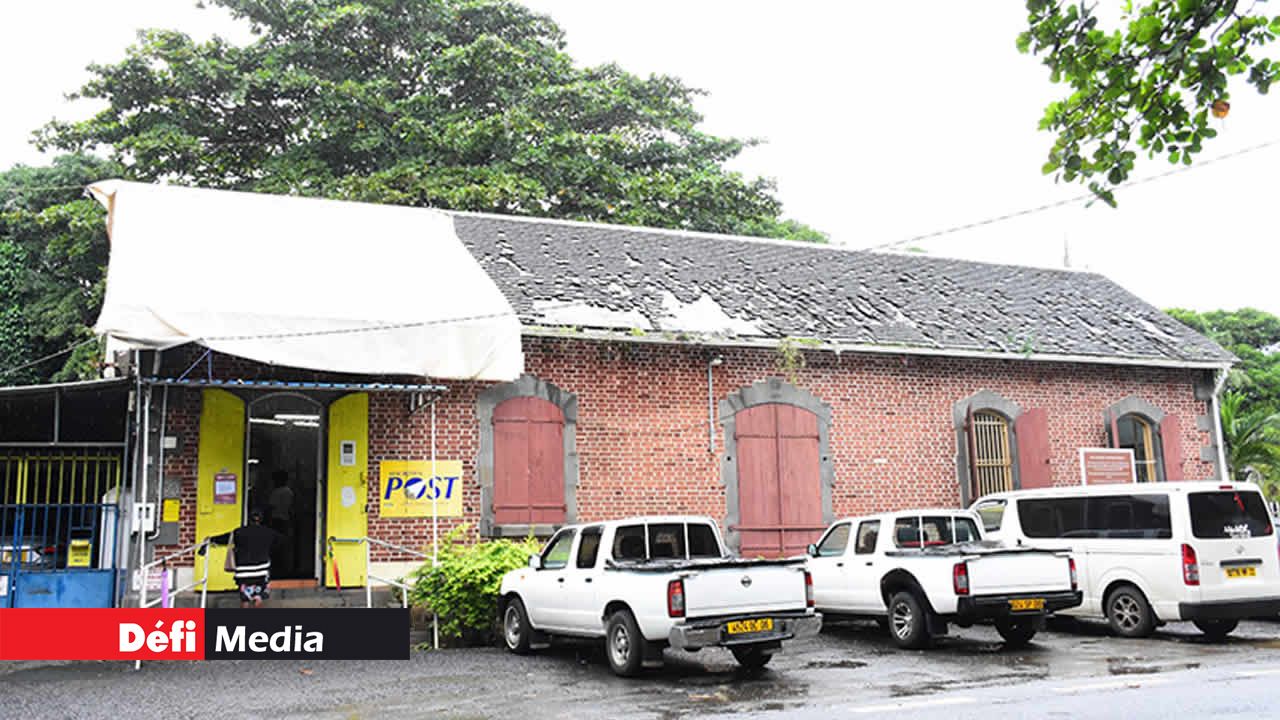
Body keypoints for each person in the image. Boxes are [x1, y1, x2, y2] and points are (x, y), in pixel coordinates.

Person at [206, 508, 281, 608]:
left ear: (248, 519)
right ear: (262, 519)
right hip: (261, 572)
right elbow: (280, 542)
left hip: (243, 572)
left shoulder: (238, 532)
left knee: (244, 597)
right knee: (258, 596)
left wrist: (210, 539)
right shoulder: (269, 533)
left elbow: (224, 538)